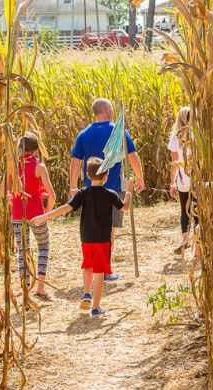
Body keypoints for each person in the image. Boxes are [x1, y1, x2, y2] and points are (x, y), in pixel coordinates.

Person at [33, 158, 134, 317]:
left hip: (86, 238)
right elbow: (126, 208)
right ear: (106, 175)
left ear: (87, 175)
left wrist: (44, 217)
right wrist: (128, 190)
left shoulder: (82, 193)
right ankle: (96, 307)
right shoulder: (111, 194)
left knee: (88, 266)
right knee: (99, 272)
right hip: (103, 239)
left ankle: (87, 292)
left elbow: (65, 208)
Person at [70, 98, 145, 281]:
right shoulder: (118, 131)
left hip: (90, 190)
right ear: (105, 109)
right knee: (108, 230)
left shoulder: (84, 134)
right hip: (112, 188)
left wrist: (73, 186)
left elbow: (75, 163)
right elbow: (132, 157)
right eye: (110, 108)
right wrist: (140, 178)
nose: (112, 111)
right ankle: (104, 270)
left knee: (93, 228)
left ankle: (96, 267)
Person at [9, 131, 56, 300]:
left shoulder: (13, 167)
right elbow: (52, 195)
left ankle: (25, 293)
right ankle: (41, 288)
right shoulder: (39, 167)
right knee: (43, 246)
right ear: (36, 150)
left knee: (23, 251)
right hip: (37, 214)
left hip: (17, 215)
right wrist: (47, 214)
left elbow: (2, 192)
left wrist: (13, 203)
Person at [167, 106, 198, 255]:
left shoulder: (175, 138)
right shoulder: (197, 135)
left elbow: (174, 164)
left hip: (182, 181)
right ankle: (198, 247)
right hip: (197, 179)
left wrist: (172, 183)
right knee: (197, 210)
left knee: (184, 211)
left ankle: (185, 240)